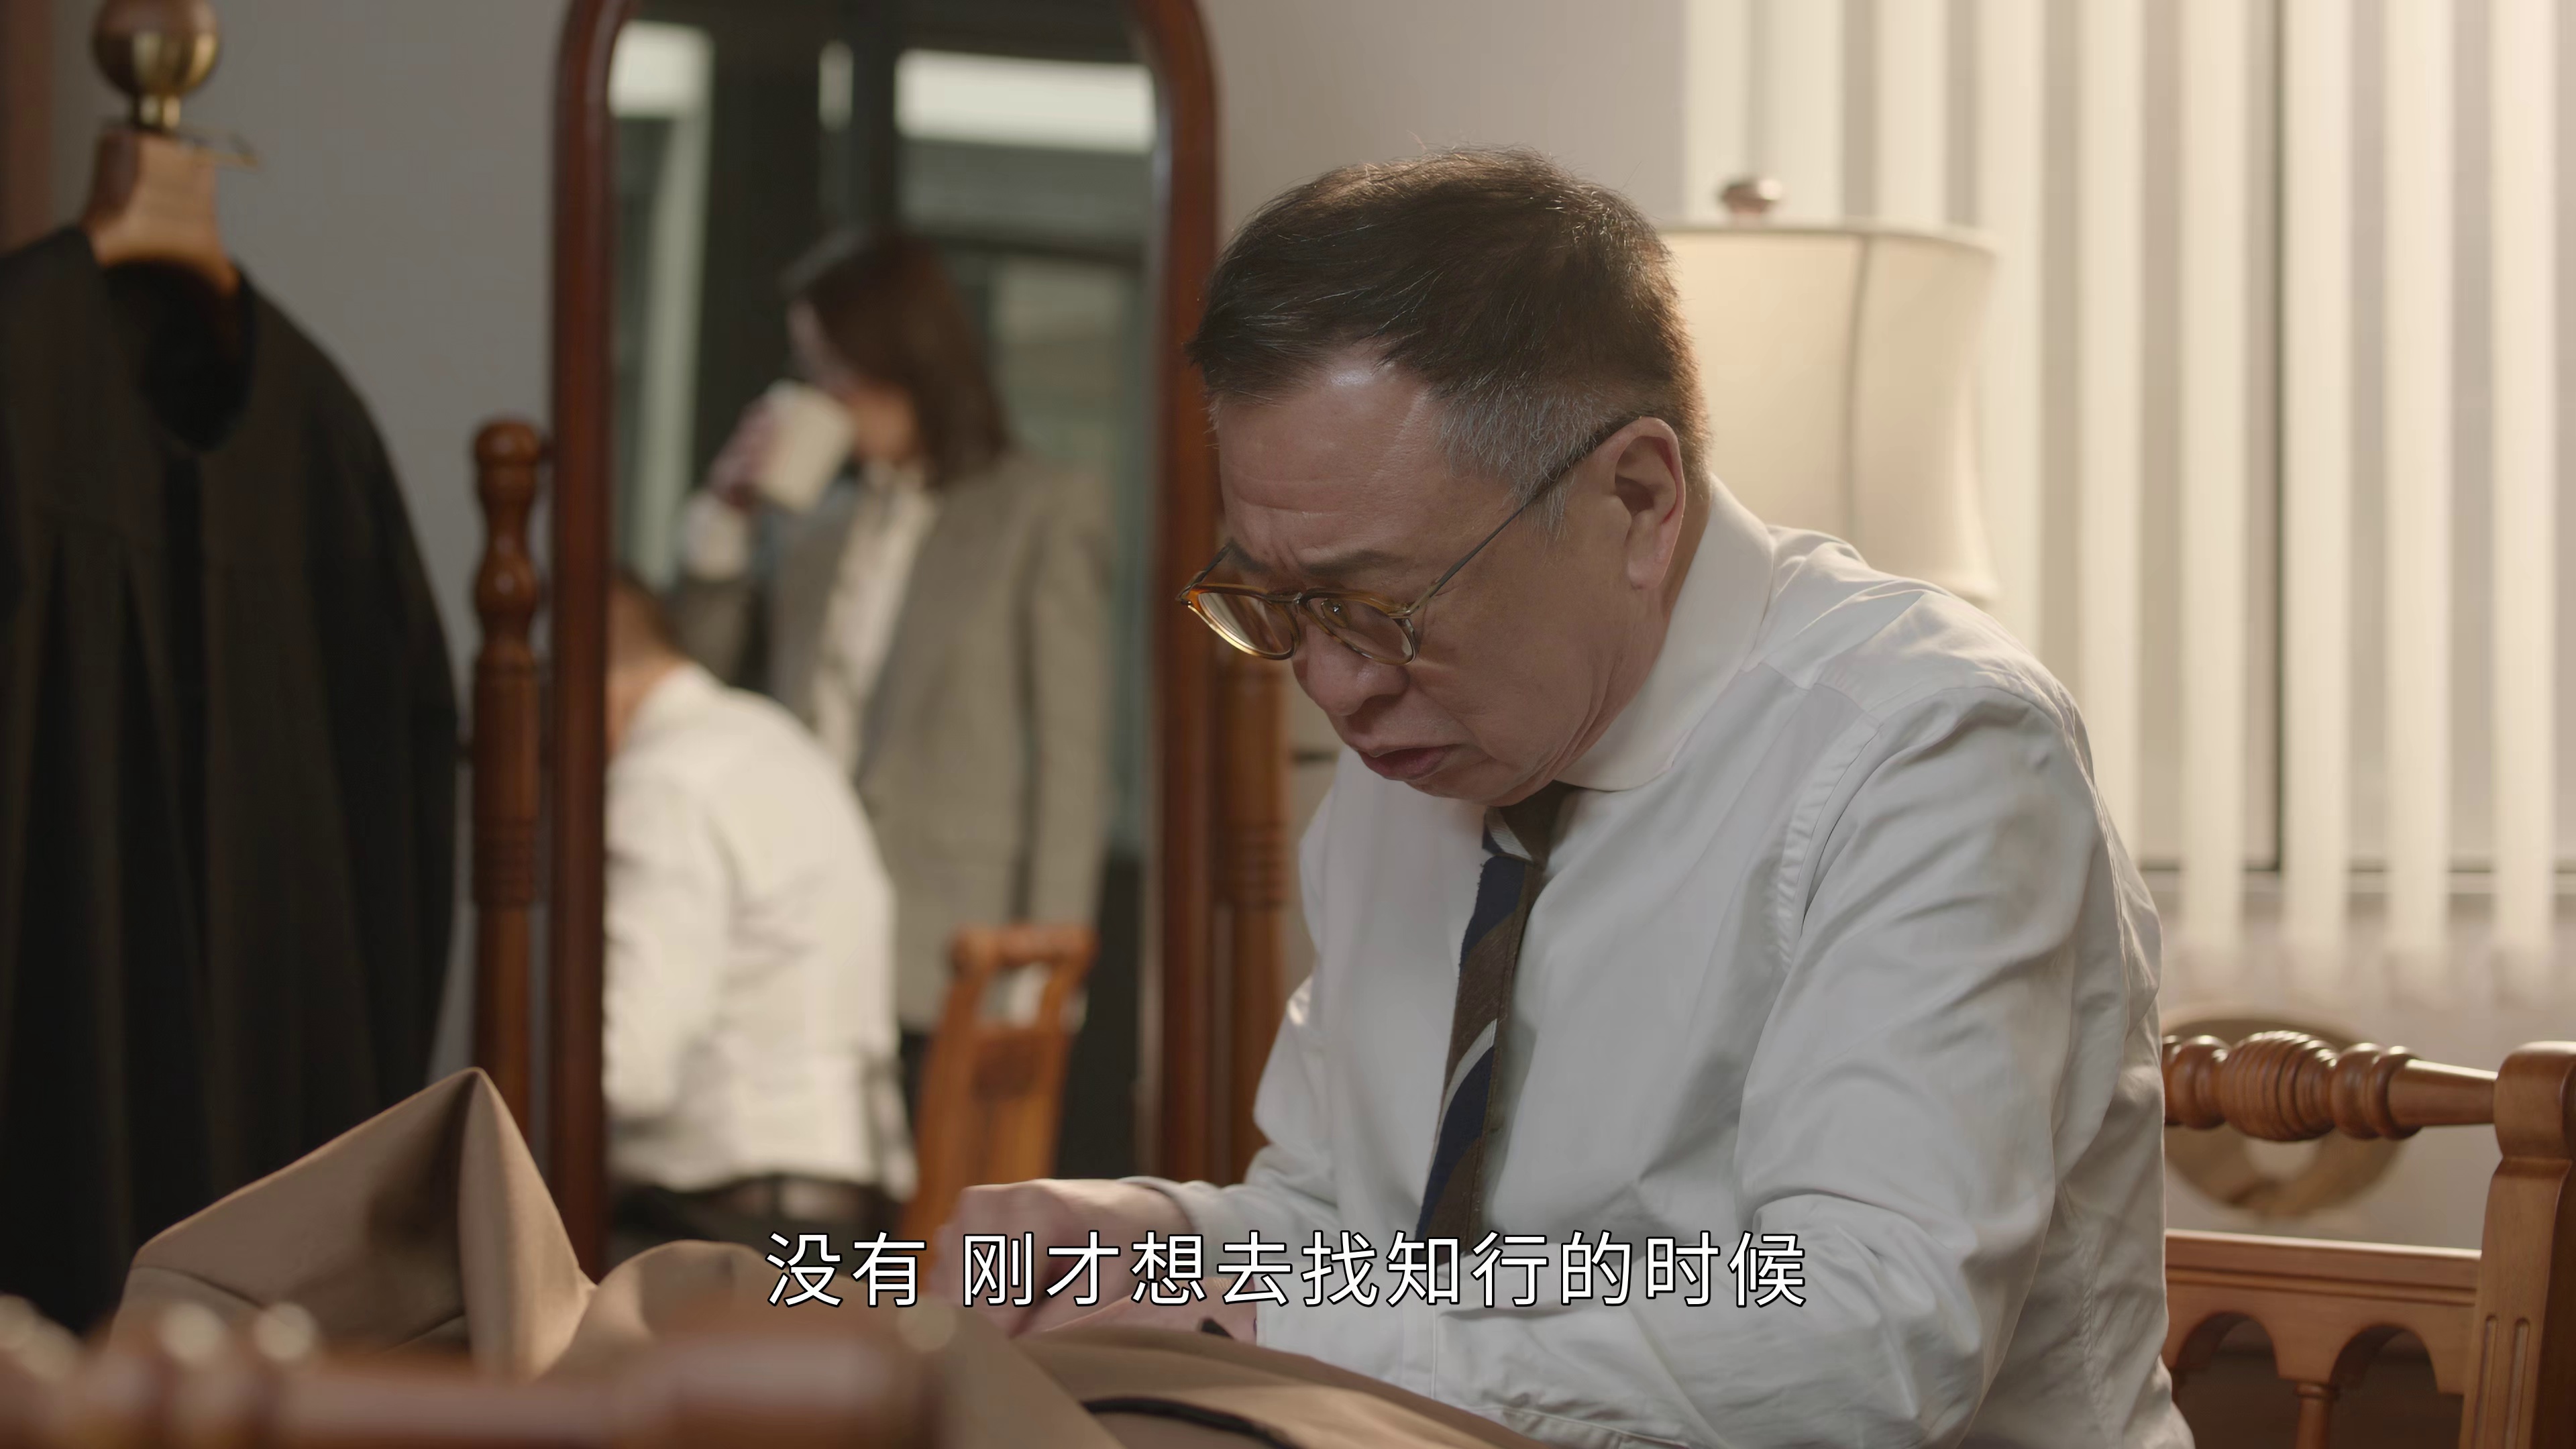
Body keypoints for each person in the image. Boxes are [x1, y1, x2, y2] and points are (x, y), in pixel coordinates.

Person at [935, 150, 2188, 1448]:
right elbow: (1359, 1237)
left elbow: (1870, 1334)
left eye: (1380, 605)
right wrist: (1158, 1239)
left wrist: (1274, 1332)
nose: (1333, 686)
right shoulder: (1417, 757)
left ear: (1638, 500)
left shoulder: (1926, 749)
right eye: (1280, 602)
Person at [671, 231, 1111, 1096]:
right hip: (793, 931)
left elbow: (1071, 759)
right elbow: (692, 676)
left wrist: (1047, 969)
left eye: (834, 367)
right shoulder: (810, 520)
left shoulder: (1040, 508)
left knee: (939, 1183)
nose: (822, 395)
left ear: (901, 355)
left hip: (952, 945)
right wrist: (725, 515)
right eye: (810, 369)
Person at [602, 571, 914, 1252]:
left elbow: (630, 1070)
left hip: (735, 1227)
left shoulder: (660, 782)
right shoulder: (774, 737)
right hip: (851, 1210)